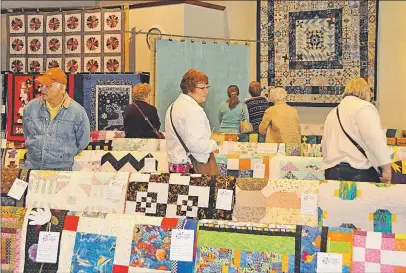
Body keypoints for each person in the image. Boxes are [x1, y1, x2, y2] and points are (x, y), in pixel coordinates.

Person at [322, 78, 392, 183]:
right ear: (365, 92)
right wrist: (386, 168)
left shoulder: (333, 112)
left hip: (332, 171)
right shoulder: (364, 107)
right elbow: (375, 140)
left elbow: (325, 145)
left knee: (335, 199)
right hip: (358, 171)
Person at [23, 67, 90, 170]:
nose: (42, 89)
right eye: (42, 85)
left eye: (48, 86)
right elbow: (27, 133)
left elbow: (82, 142)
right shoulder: (31, 107)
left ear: (62, 88)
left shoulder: (77, 112)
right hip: (33, 168)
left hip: (61, 171)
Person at [165, 69, 219, 174]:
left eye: (207, 87)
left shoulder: (173, 106)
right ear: (189, 89)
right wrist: (214, 144)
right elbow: (196, 145)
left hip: (176, 166)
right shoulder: (192, 109)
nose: (206, 92)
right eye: (202, 88)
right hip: (191, 168)